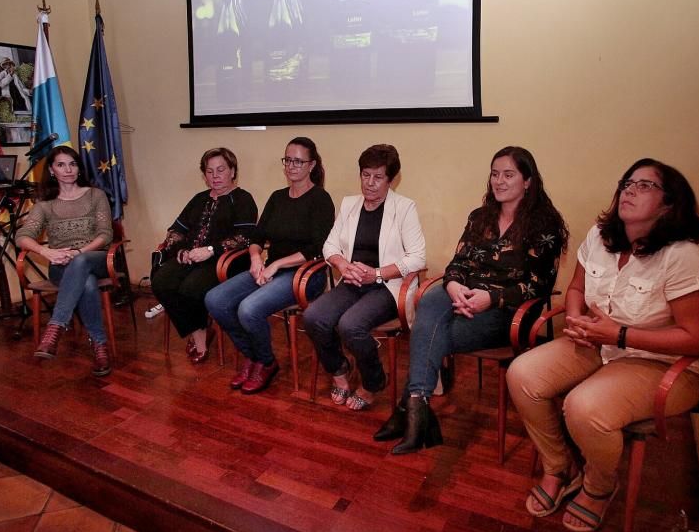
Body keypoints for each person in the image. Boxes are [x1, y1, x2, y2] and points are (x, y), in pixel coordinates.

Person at [506, 158, 699, 532]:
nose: (629, 190)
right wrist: (574, 319)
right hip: (598, 344)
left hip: (658, 363)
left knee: (583, 407)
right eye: (627, 183)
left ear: (670, 204)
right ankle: (558, 466)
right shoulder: (601, 238)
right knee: (522, 374)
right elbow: (575, 289)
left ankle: (600, 485)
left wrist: (619, 334)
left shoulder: (681, 256)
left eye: (644, 186)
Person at [375, 146, 567, 454]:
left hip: (508, 311)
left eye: (509, 174)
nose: (499, 181)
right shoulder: (480, 217)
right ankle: (417, 407)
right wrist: (453, 288)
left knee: (435, 334)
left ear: (528, 181)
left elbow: (539, 286)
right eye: (494, 174)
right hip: (461, 296)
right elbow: (457, 265)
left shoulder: (545, 226)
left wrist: (490, 299)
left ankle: (408, 412)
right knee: (430, 302)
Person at [205, 137, 335, 395]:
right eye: (288, 159)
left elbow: (317, 248)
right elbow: (257, 237)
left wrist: (275, 265)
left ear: (311, 165)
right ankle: (253, 356)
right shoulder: (277, 198)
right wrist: (255, 258)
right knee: (215, 299)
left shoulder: (320, 199)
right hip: (270, 269)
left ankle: (266, 362)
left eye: (299, 161)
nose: (292, 166)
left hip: (304, 274)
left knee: (248, 309)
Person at [304, 144, 426, 410]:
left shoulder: (404, 208)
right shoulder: (349, 204)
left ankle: (373, 381)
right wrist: (343, 265)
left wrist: (377, 273)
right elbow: (329, 246)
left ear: (391, 180)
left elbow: (417, 257)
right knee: (314, 317)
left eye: (378, 177)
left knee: (350, 325)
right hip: (352, 281)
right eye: (365, 175)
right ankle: (339, 371)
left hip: (386, 286)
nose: (370, 183)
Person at [152, 148, 258, 364]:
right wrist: (180, 250)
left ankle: (199, 337)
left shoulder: (243, 199)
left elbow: (245, 237)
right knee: (161, 280)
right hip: (189, 256)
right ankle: (200, 329)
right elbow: (175, 230)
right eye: (209, 171)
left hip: (224, 261)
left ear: (232, 171)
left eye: (221, 170)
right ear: (204, 175)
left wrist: (210, 250)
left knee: (191, 287)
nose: (215, 176)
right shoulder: (199, 199)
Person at [17, 145, 115, 377]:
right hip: (61, 266)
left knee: (81, 263)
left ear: (79, 168)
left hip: (95, 258)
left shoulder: (95, 195)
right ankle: (100, 347)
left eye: (72, 163)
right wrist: (47, 252)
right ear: (52, 170)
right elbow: (22, 237)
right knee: (88, 283)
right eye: (61, 165)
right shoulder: (45, 205)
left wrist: (79, 251)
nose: (68, 169)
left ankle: (55, 327)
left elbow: (105, 235)